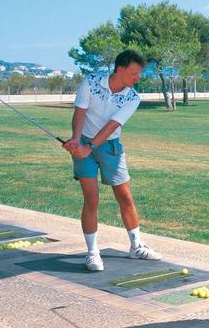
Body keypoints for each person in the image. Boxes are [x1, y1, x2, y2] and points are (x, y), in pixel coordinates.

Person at [63, 50, 162, 272]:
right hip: (84, 141)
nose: (137, 79)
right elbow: (79, 113)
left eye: (139, 74)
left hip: (110, 146)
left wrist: (90, 147)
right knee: (91, 198)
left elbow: (111, 126)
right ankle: (92, 253)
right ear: (120, 69)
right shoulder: (90, 82)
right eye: (134, 74)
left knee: (125, 196)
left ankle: (137, 246)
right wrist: (77, 142)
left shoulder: (132, 97)